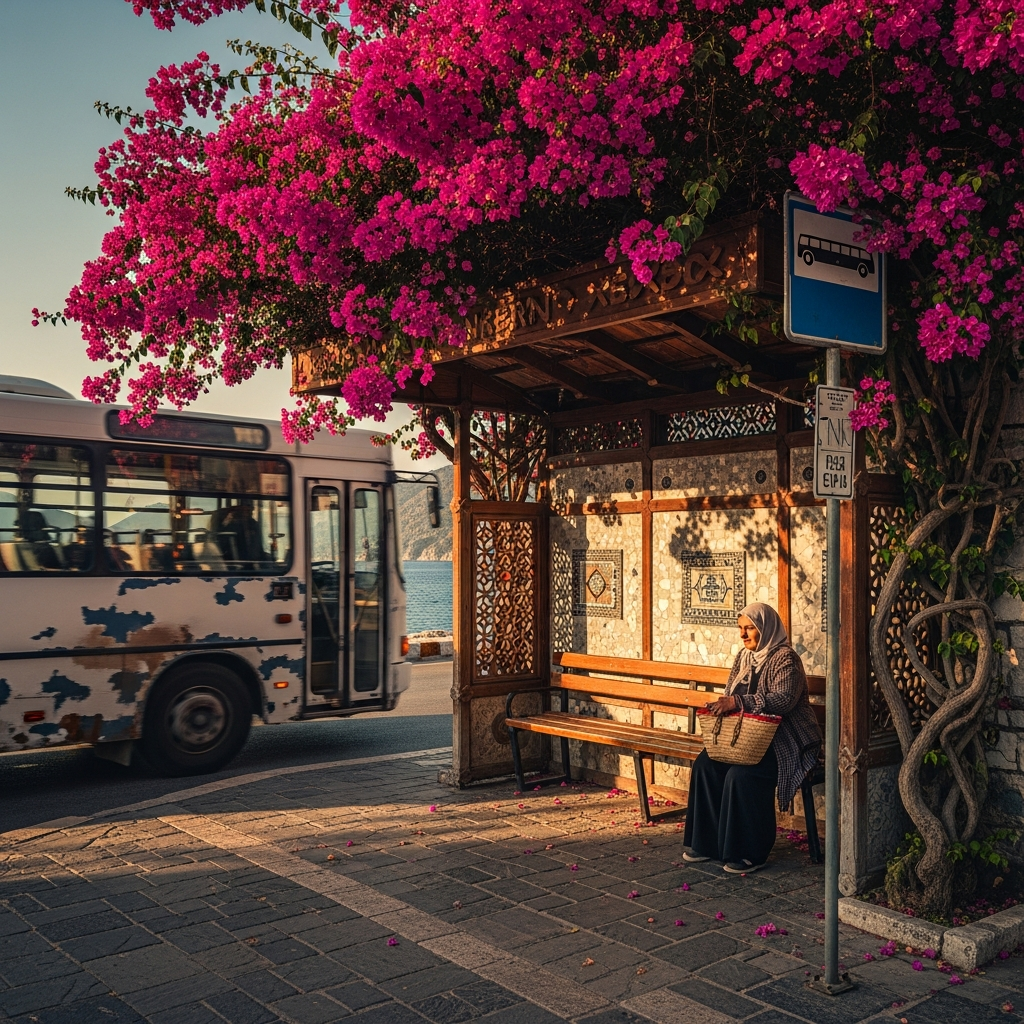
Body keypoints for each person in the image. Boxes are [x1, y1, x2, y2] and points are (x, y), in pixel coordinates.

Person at [682, 602, 822, 874]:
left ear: (766, 628)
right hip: (749, 739)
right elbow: (730, 692)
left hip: (785, 742)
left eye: (750, 629)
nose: (743, 635)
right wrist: (727, 703)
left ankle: (750, 852)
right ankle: (708, 843)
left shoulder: (786, 658)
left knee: (742, 776)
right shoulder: (743, 658)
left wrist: (738, 702)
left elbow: (783, 700)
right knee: (706, 765)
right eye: (741, 629)